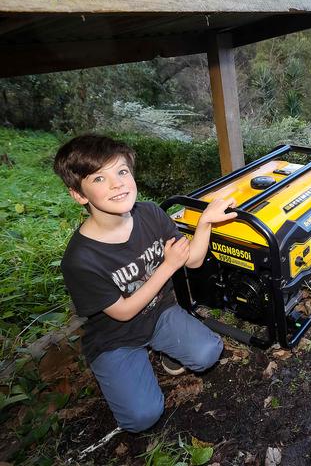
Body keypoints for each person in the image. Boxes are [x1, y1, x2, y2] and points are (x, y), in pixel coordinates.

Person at [54, 134, 237, 432]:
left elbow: (191, 260)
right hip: (115, 339)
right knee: (142, 418)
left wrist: (205, 222)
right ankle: (120, 371)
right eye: (99, 178)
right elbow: (124, 312)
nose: (118, 184)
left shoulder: (150, 213)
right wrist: (167, 267)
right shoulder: (80, 260)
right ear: (79, 194)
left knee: (209, 353)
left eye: (122, 171)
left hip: (159, 314)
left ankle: (164, 349)